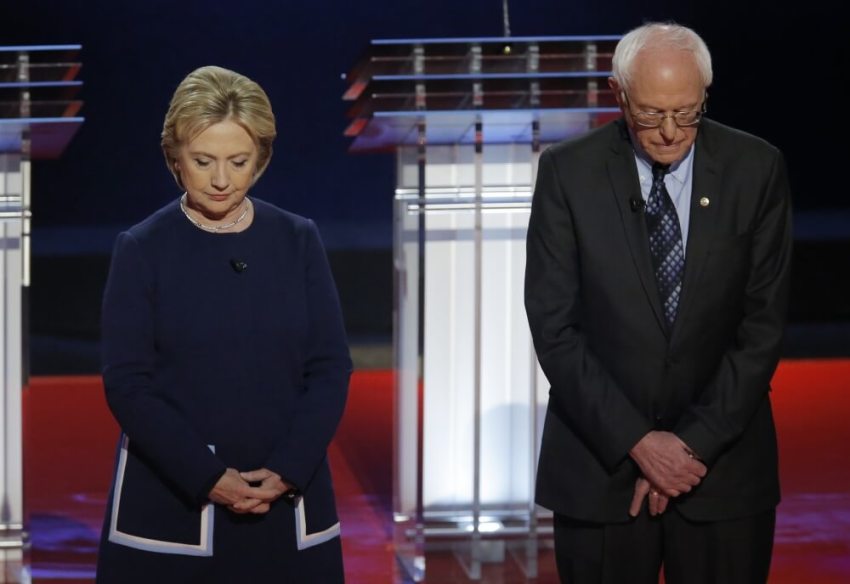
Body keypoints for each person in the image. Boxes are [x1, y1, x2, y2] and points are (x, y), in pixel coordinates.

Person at [524, 22, 792, 584]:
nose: (670, 132)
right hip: (602, 470)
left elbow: (761, 327)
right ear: (617, 93)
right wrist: (640, 444)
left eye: (687, 112)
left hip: (721, 470)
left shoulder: (756, 168)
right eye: (649, 114)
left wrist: (690, 446)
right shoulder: (567, 173)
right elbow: (555, 326)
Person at [96, 65, 352, 583]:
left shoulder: (298, 239)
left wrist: (289, 468)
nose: (220, 179)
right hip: (172, 507)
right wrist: (206, 476)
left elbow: (329, 367)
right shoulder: (142, 249)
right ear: (174, 159)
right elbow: (127, 383)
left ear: (261, 159)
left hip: (287, 500)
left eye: (238, 162)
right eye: (202, 161)